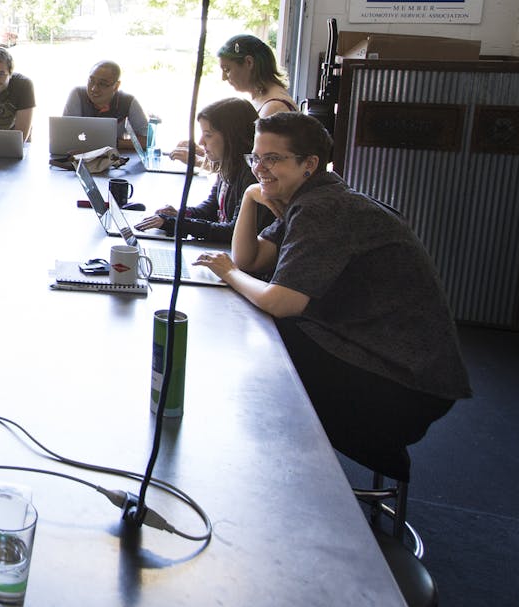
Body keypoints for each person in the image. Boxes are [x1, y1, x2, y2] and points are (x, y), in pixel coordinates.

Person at [195, 113, 470, 465]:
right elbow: (252, 259)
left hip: (403, 387)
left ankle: (277, 473)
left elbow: (281, 301)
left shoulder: (323, 207)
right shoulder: (316, 194)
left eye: (273, 159)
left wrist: (228, 273)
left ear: (309, 163)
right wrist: (250, 197)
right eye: (256, 158)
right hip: (397, 367)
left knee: (263, 340)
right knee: (260, 333)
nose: (260, 167)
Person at [136, 98, 265, 243]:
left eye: (208, 135)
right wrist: (181, 214)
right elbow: (210, 209)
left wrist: (176, 224)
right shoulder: (228, 165)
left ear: (231, 137)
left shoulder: (252, 175)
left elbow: (233, 232)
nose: (201, 142)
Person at [61, 60, 148, 151]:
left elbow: (148, 141)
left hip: (114, 158)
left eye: (102, 84)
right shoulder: (78, 94)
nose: (94, 89)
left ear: (116, 86)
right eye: (91, 81)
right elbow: (65, 135)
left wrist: (115, 143)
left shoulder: (127, 101)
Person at [218, 33, 297, 117]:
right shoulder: (263, 100)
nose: (224, 78)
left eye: (227, 70)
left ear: (249, 62)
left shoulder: (273, 108)